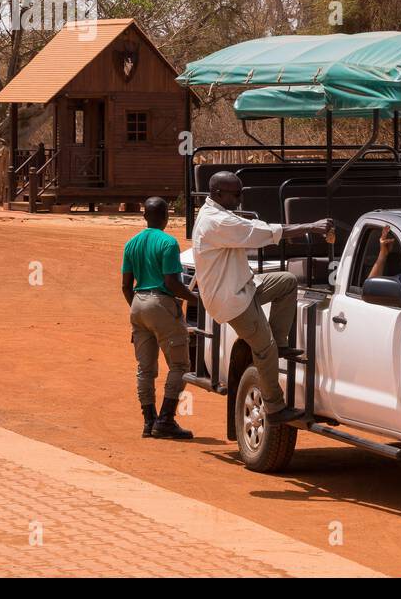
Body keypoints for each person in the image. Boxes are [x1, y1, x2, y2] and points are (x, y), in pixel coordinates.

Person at [191, 171, 332, 425]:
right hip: (231, 298)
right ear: (217, 194)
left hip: (244, 285)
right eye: (235, 194)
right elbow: (260, 232)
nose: (239, 198)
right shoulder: (217, 221)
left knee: (287, 282)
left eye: (240, 192)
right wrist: (310, 227)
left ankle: (279, 341)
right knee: (264, 348)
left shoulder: (219, 212)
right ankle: (275, 408)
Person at [121, 197, 199, 440]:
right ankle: (166, 419)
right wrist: (196, 299)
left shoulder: (131, 244)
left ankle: (149, 421)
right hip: (161, 304)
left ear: (144, 216)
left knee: (145, 369)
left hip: (137, 303)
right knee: (180, 365)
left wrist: (138, 308)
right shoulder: (168, 243)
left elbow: (126, 285)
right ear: (166, 217)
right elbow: (172, 283)